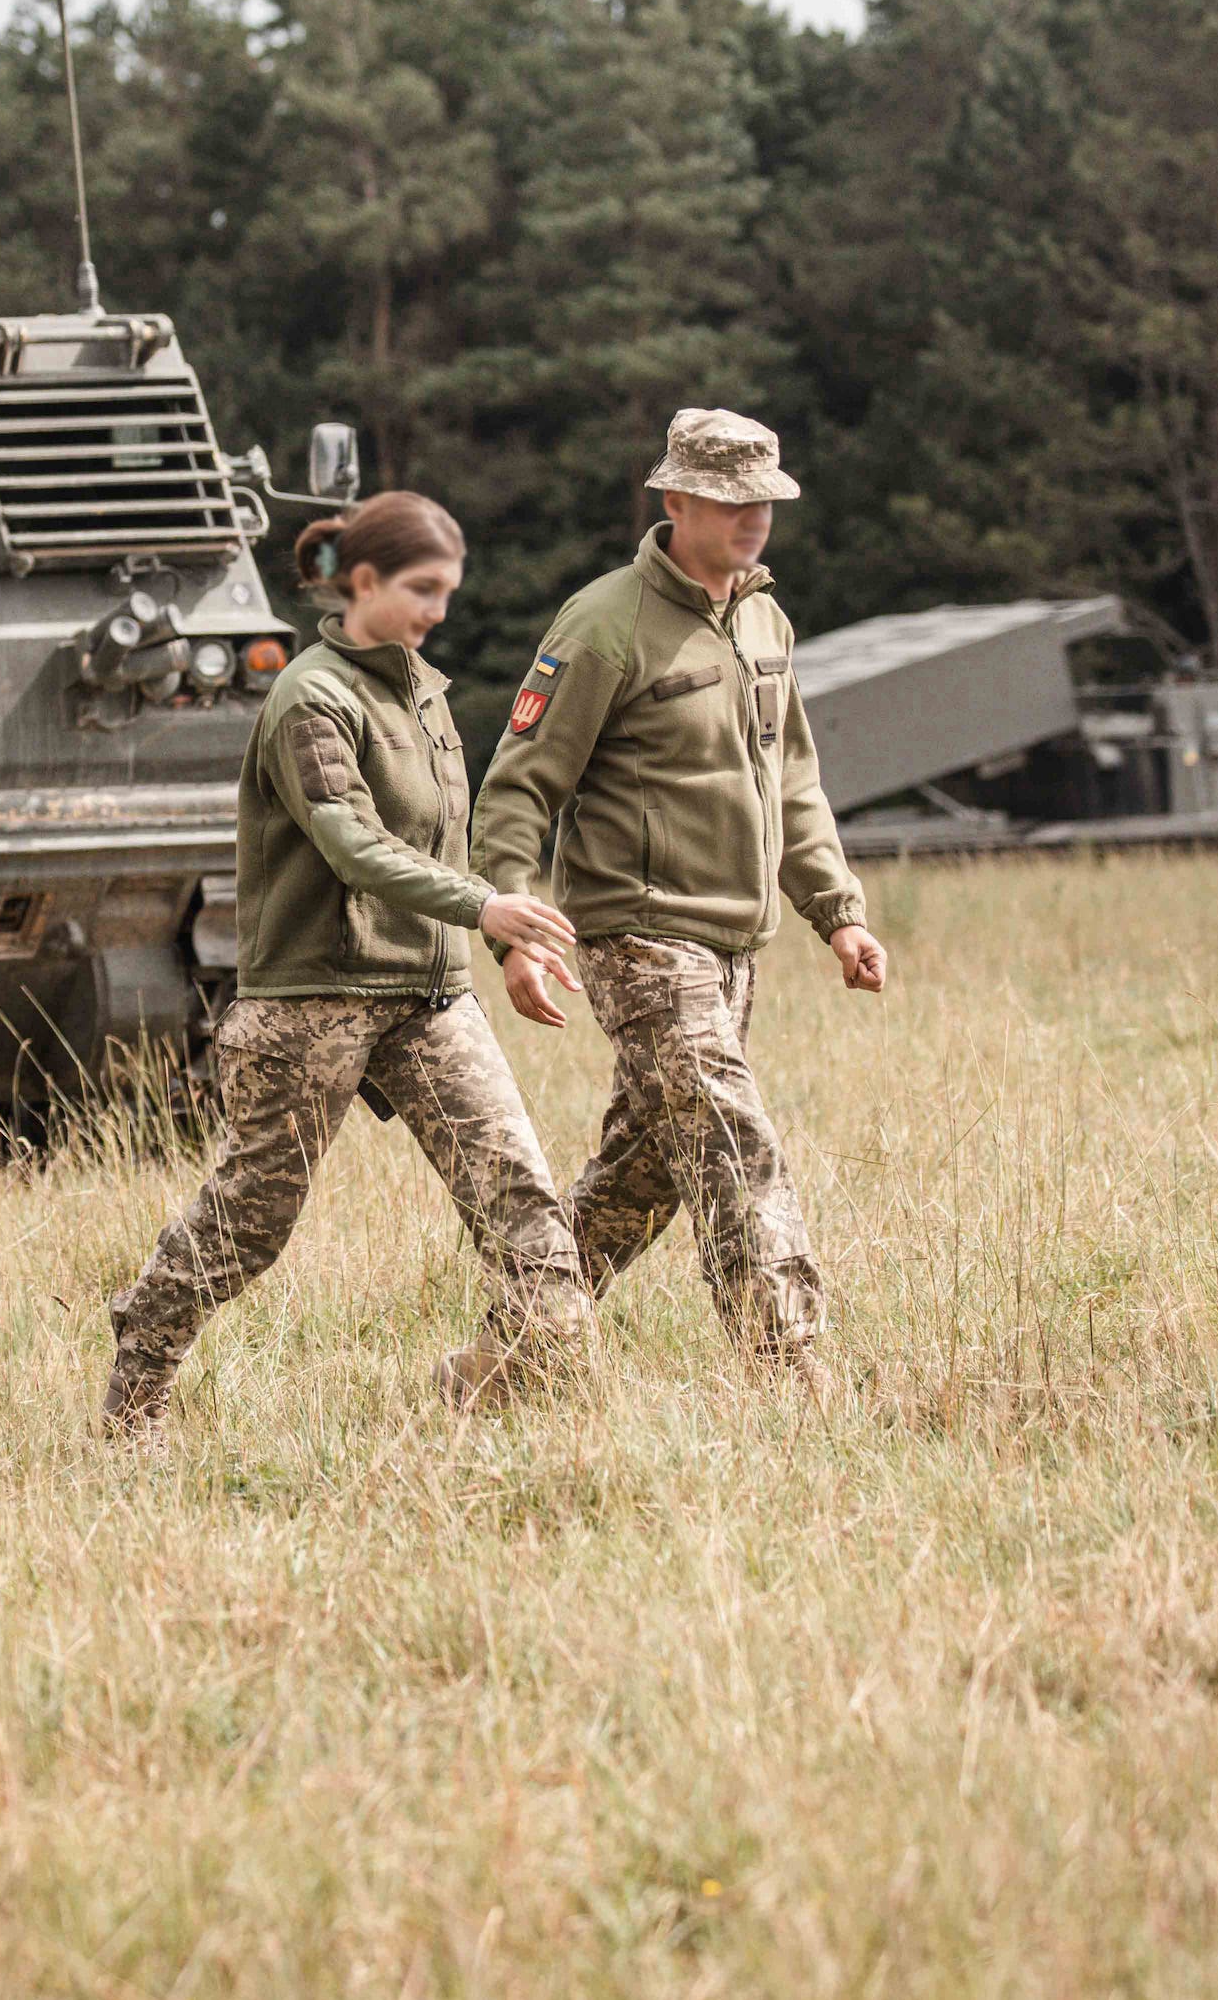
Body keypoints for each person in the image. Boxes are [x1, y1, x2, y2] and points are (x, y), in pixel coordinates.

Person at [103, 491, 593, 1437]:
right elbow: (355, 847)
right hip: (313, 998)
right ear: (361, 581)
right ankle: (141, 1364)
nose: (438, 611)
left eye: (449, 591)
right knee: (252, 1221)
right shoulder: (309, 699)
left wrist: (502, 939)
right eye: (422, 589)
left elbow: (445, 843)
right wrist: (484, 904)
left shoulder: (426, 691)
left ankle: (529, 1402)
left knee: (522, 1199)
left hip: (429, 994)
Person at [469, 408, 886, 1383]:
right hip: (640, 937)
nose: (753, 519)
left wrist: (841, 912)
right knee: (733, 1146)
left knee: (644, 1172)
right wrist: (515, 932)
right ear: (676, 499)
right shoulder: (603, 623)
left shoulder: (763, 618)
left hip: (738, 944)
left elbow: (795, 782)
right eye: (732, 500)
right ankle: (791, 1374)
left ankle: (511, 1355)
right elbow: (520, 783)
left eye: (766, 501)